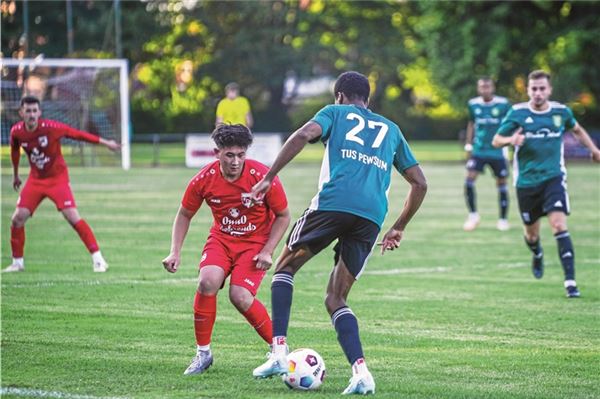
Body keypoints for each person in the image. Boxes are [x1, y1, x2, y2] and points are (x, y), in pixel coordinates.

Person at [251, 71, 427, 394]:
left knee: (285, 268)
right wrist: (398, 227)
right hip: (371, 218)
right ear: (368, 100)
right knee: (336, 297)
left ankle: (278, 352)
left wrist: (269, 176)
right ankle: (361, 374)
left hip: (334, 203)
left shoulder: (334, 113)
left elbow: (304, 134)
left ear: (340, 97)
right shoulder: (391, 129)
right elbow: (420, 182)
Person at [162, 124, 290, 375]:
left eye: (241, 155)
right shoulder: (203, 179)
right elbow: (184, 214)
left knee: (240, 296)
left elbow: (283, 215)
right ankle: (203, 354)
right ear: (216, 152)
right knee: (207, 282)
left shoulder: (262, 177)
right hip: (222, 239)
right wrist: (174, 251)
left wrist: (268, 251)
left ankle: (279, 350)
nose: (235, 161)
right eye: (229, 155)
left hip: (254, 243)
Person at [492, 70, 600, 298]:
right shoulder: (518, 113)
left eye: (542, 88)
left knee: (559, 226)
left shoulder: (561, 112)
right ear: (528, 90)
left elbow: (577, 130)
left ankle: (570, 282)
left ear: (549, 90)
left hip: (554, 178)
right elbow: (496, 140)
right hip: (526, 183)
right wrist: (512, 139)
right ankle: (537, 252)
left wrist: (593, 150)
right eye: (534, 89)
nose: (538, 93)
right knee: (531, 235)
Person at [4, 96, 120, 273]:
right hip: (35, 180)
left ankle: (98, 259)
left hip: (57, 179)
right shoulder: (17, 132)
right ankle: (17, 263)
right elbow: (14, 151)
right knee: (17, 218)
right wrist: (15, 175)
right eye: (28, 111)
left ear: (40, 112)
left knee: (73, 218)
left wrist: (106, 143)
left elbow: (79, 135)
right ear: (21, 113)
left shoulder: (51, 128)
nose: (32, 115)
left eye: (35, 111)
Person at [463, 77, 512, 231]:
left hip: (498, 150)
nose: (485, 89)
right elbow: (471, 123)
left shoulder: (503, 104)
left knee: (502, 183)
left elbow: (511, 124)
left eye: (488, 86)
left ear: (493, 87)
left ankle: (503, 220)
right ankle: (473, 216)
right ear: (478, 89)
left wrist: (508, 142)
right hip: (479, 150)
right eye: (482, 87)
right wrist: (469, 145)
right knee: (469, 179)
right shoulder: (473, 104)